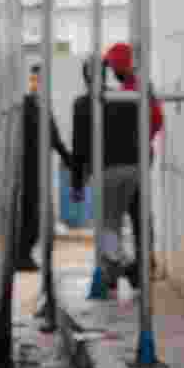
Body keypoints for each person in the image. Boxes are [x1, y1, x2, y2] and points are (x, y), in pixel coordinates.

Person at [71, 51, 161, 291]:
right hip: (134, 170)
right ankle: (112, 275)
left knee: (107, 227)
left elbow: (79, 147)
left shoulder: (82, 104)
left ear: (85, 76)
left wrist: (77, 184)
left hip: (107, 172)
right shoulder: (123, 97)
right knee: (116, 224)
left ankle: (125, 267)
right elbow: (139, 131)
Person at [17, 64, 71, 271]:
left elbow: (54, 137)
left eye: (39, 80)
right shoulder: (27, 104)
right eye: (33, 80)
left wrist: (68, 159)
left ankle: (25, 254)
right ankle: (22, 255)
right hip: (26, 168)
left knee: (35, 213)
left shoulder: (42, 106)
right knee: (29, 213)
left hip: (38, 167)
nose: (36, 84)